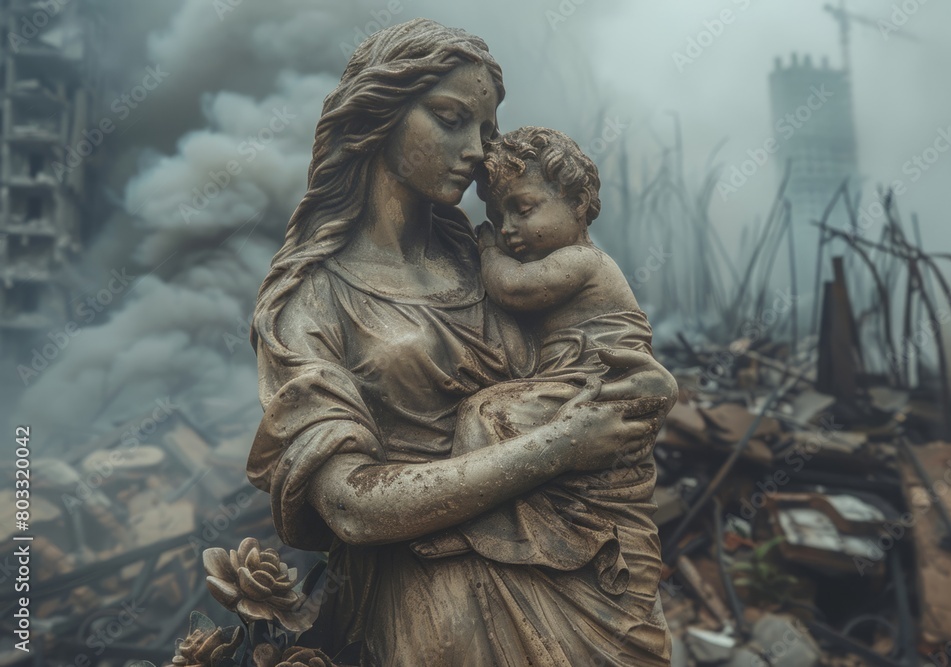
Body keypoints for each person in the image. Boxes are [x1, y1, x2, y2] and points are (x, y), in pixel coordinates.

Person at [247, 18, 676, 666]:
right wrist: (560, 446)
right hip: (436, 599)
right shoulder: (312, 299)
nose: (476, 148)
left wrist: (631, 396)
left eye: (486, 130)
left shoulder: (496, 255)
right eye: (450, 118)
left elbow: (603, 371)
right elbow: (349, 504)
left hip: (583, 559)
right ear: (379, 114)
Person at [414, 126, 669, 603]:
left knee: (491, 414)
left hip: (594, 385)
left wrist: (487, 250)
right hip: (570, 384)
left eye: (524, 209)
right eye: (496, 215)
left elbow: (513, 288)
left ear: (577, 202)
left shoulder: (582, 261)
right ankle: (489, 532)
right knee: (488, 413)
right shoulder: (571, 259)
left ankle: (481, 530)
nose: (509, 227)